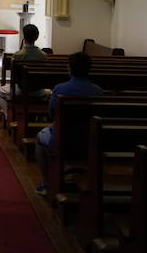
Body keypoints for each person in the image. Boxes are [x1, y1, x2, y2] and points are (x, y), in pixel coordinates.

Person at [34, 51, 103, 196]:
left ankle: (46, 183)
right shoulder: (98, 91)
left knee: (40, 137)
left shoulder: (60, 89)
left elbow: (52, 114)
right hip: (89, 140)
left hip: (62, 138)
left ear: (69, 68)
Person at [0, 24, 49, 115]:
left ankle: (9, 115)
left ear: (24, 37)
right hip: (39, 90)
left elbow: (14, 78)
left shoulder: (17, 55)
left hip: (21, 90)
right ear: (37, 37)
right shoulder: (43, 55)